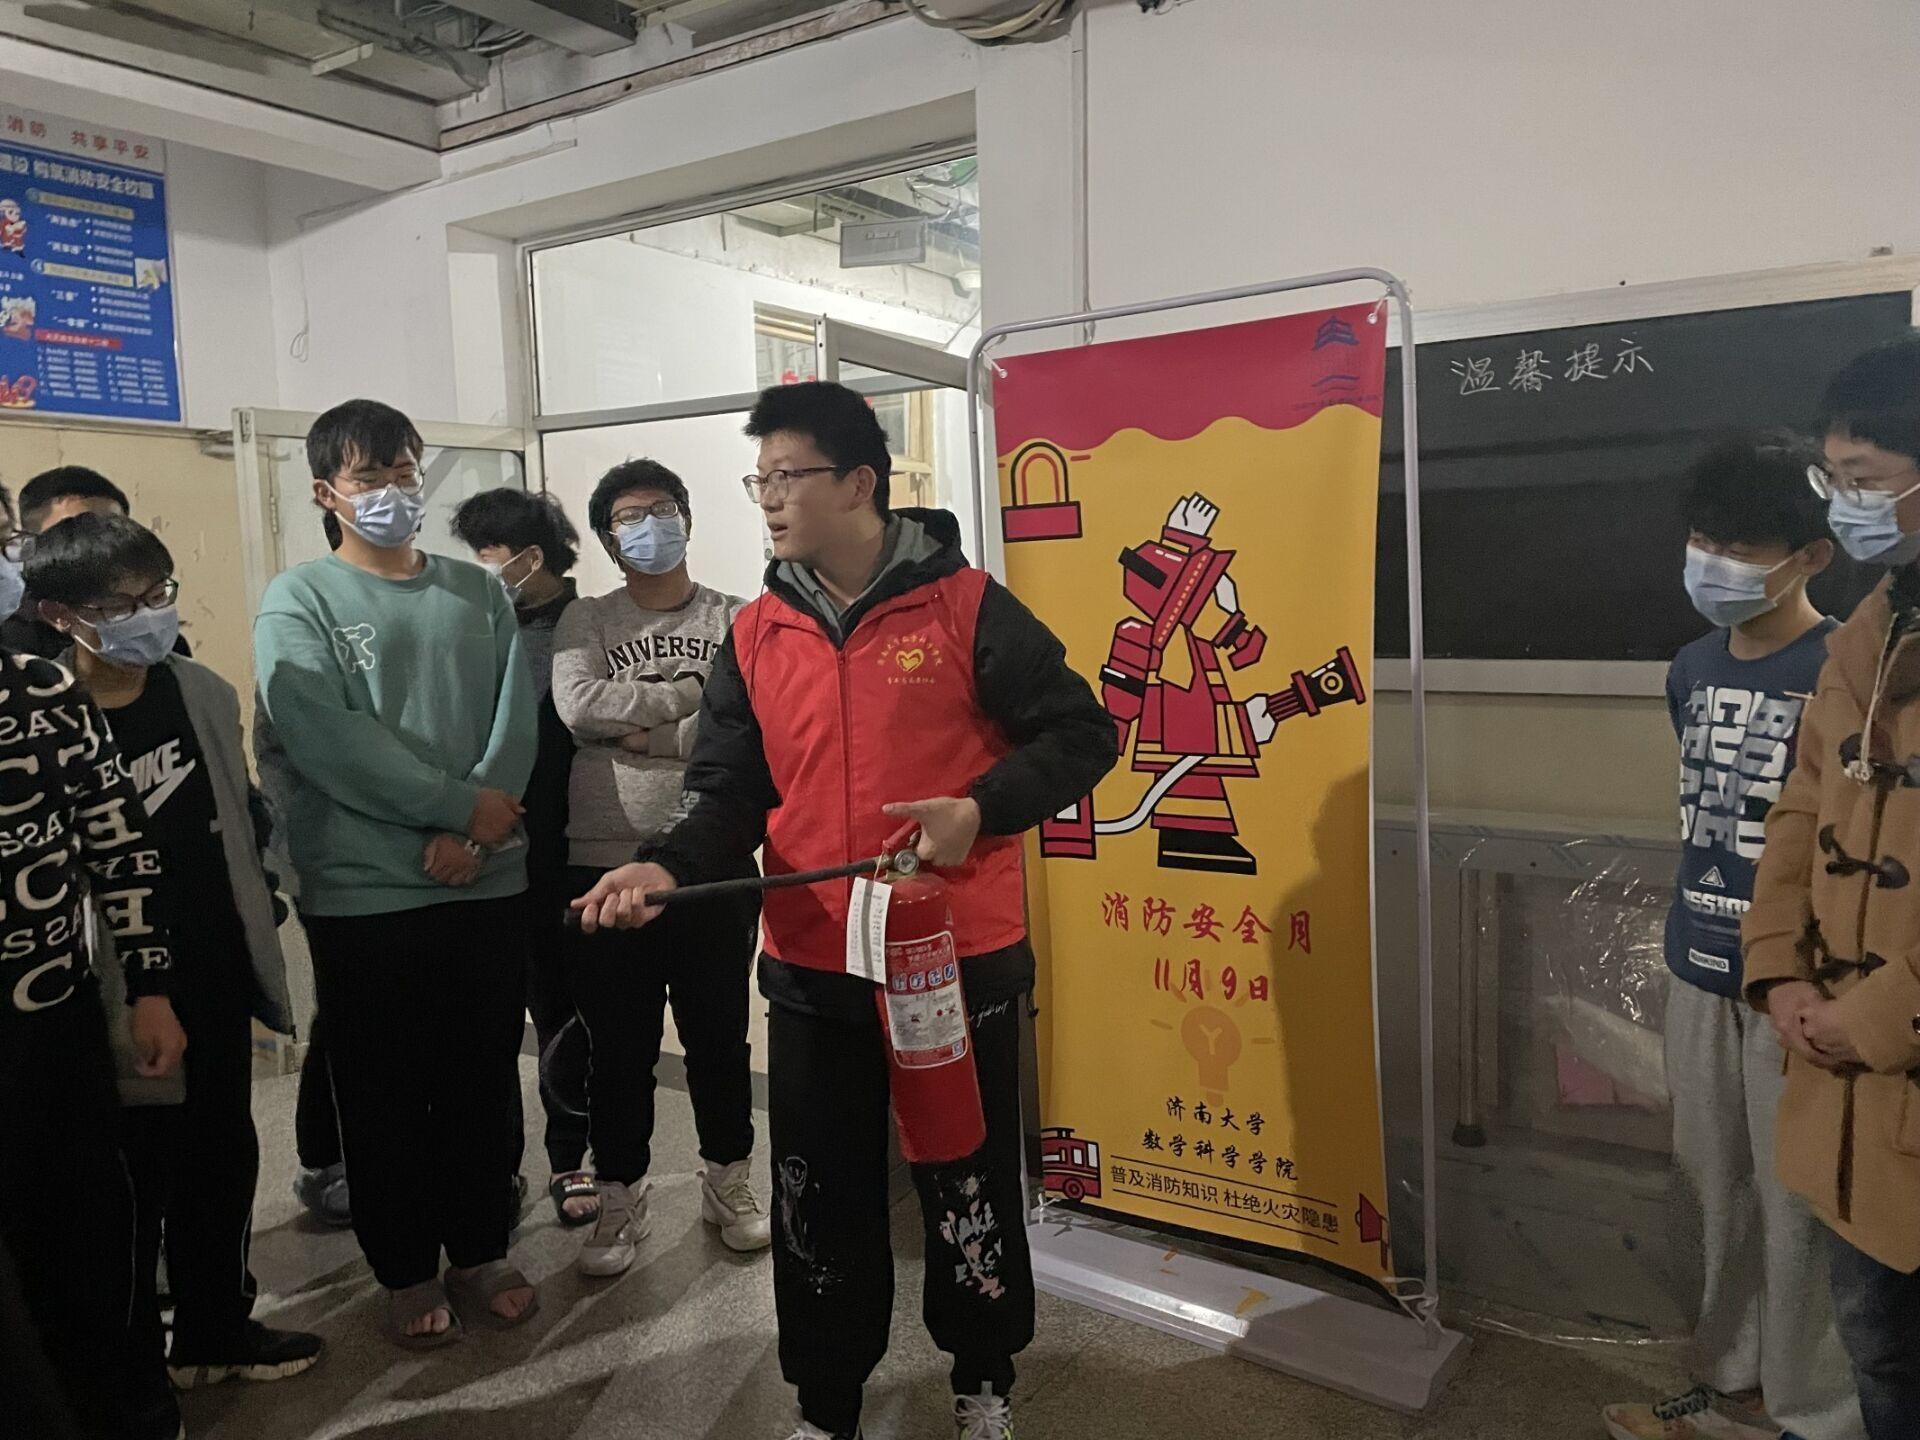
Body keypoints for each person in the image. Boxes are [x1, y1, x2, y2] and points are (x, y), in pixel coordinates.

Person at [575, 382, 1118, 1440]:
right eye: (760, 480)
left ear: (861, 482)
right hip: (816, 963)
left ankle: (983, 1382)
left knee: (963, 1178)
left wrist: (979, 808)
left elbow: (1082, 734)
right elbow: (728, 788)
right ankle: (827, 1403)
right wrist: (666, 868)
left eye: (790, 475)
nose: (770, 499)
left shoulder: (966, 608)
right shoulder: (756, 634)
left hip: (952, 960)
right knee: (816, 1191)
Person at [253, 398, 538, 1347]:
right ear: (325, 493)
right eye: (369, 477)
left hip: (485, 881)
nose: (392, 492)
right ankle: (405, 1267)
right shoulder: (300, 599)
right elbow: (324, 738)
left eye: (406, 472)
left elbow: (514, 722)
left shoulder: (477, 593)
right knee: (382, 1092)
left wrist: (479, 834)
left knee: (481, 1079)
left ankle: (481, 1248)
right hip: (366, 892)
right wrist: (454, 808)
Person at [27, 514, 325, 1393]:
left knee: (220, 1153)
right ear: (59, 616)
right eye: (119, 606)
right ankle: (123, 1368)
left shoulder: (199, 690)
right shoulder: (41, 714)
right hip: (103, 984)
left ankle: (213, 1327)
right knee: (129, 1176)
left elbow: (239, 807)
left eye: (158, 594)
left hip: (211, 959)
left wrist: (264, 897)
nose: (148, 616)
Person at [1602, 437, 1863, 1440]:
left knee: (1801, 1204)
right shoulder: (1692, 666)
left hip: (1802, 985)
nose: (1712, 562)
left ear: (1811, 556)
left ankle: (1815, 1415)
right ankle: (1729, 1385)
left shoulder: (1845, 667)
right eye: (1702, 539)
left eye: (1742, 546)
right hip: (1699, 965)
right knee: (1713, 1191)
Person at [1744, 334, 1920, 1440]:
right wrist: (1780, 974)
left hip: (1888, 1041)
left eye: (1864, 479)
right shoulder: (1873, 625)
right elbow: (1803, 811)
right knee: (1879, 1350)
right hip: (1849, 1073)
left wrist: (1879, 1014)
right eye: (1833, 479)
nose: (1846, 505)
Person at [551, 459, 768, 1275]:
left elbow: (746, 728)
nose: (650, 526)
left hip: (713, 862)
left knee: (719, 1037)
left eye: (663, 508)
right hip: (601, 861)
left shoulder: (737, 616)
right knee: (619, 1046)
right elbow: (579, 705)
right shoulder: (586, 617)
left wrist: (642, 733)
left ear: (687, 517)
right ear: (609, 539)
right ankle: (620, 1194)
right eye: (629, 516)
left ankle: (728, 1180)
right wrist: (690, 703)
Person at [0, 507, 189, 1438]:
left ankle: (127, 1409)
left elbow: (119, 845)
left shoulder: (41, 689)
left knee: (82, 1232)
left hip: (51, 1015)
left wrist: (151, 987)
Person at [451, 486, 597, 1228]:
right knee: (494, 1020)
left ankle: (572, 1157)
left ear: (530, 558)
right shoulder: (477, 627)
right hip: (490, 854)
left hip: (569, 853)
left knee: (568, 1014)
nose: (476, 570)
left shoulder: (587, 625)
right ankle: (495, 1169)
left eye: (487, 556)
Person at [0, 465, 193, 659]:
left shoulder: (160, 641)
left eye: (113, 530)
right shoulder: (12, 648)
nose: (100, 546)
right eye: (73, 534)